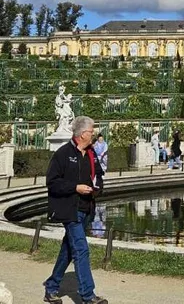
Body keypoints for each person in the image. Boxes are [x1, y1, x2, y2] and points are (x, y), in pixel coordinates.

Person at [44, 115, 107, 304]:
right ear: (81, 134)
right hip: (69, 210)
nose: (93, 134)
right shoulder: (63, 154)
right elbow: (52, 182)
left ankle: (51, 286)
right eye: (91, 131)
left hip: (87, 207)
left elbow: (98, 176)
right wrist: (75, 187)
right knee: (81, 249)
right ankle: (88, 295)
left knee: (69, 250)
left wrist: (97, 190)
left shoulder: (91, 153)